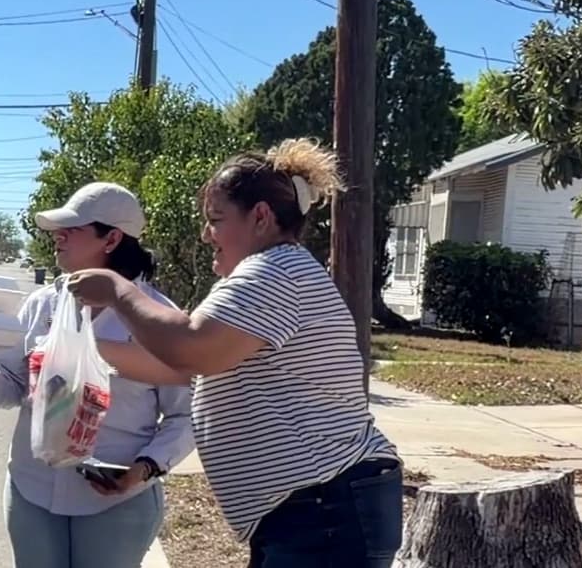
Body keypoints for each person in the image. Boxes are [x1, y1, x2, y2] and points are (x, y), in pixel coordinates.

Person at [67, 139, 404, 568]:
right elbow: (176, 366)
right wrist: (79, 348)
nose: (207, 234)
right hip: (315, 507)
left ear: (260, 217)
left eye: (216, 219)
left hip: (324, 508)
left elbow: (190, 350)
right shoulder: (278, 272)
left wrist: (118, 289)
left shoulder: (273, 272)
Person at [0, 182, 194, 568]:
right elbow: (11, 388)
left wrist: (144, 469)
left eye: (72, 229)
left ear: (112, 238)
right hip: (33, 491)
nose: (57, 237)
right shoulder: (42, 305)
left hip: (116, 502)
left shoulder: (158, 318)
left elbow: (186, 416)